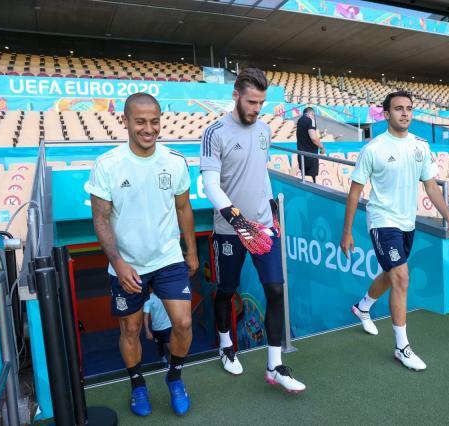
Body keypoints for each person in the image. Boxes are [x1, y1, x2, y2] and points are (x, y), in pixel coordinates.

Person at [85, 92, 198, 417]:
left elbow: (183, 207)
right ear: (126, 122)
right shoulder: (108, 165)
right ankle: (137, 385)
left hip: (167, 259)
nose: (149, 129)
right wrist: (118, 263)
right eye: (140, 122)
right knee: (131, 330)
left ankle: (174, 377)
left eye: (154, 121)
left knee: (183, 322)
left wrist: (191, 251)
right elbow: (100, 219)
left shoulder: (174, 161)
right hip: (127, 265)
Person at [339, 90, 449, 372]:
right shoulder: (373, 149)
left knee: (390, 273)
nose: (405, 113)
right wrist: (347, 232)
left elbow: (431, 187)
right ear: (386, 114)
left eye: (409, 108)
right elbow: (355, 193)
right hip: (382, 221)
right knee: (402, 277)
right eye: (398, 108)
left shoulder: (420, 146)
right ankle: (402, 348)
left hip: (407, 223)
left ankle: (363, 307)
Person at [200, 68, 306, 393]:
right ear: (236, 95)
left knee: (275, 290)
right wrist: (236, 220)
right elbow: (210, 184)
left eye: (261, 103)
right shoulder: (215, 132)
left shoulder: (264, 130)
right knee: (226, 290)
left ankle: (274, 366)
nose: (256, 109)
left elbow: (261, 173)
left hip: (262, 227)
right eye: (251, 102)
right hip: (230, 230)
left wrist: (271, 213)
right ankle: (225, 346)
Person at [296, 107, 325, 182]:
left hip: (301, 154)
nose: (314, 117)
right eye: (313, 115)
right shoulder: (311, 120)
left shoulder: (300, 120)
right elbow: (313, 137)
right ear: (311, 113)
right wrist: (322, 147)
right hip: (311, 155)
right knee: (312, 180)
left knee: (304, 180)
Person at [144, 293, 172, 365]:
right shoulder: (149, 298)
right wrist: (147, 331)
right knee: (160, 347)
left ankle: (172, 364)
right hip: (156, 329)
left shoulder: (166, 293)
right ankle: (164, 360)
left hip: (168, 326)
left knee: (171, 348)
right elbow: (146, 316)